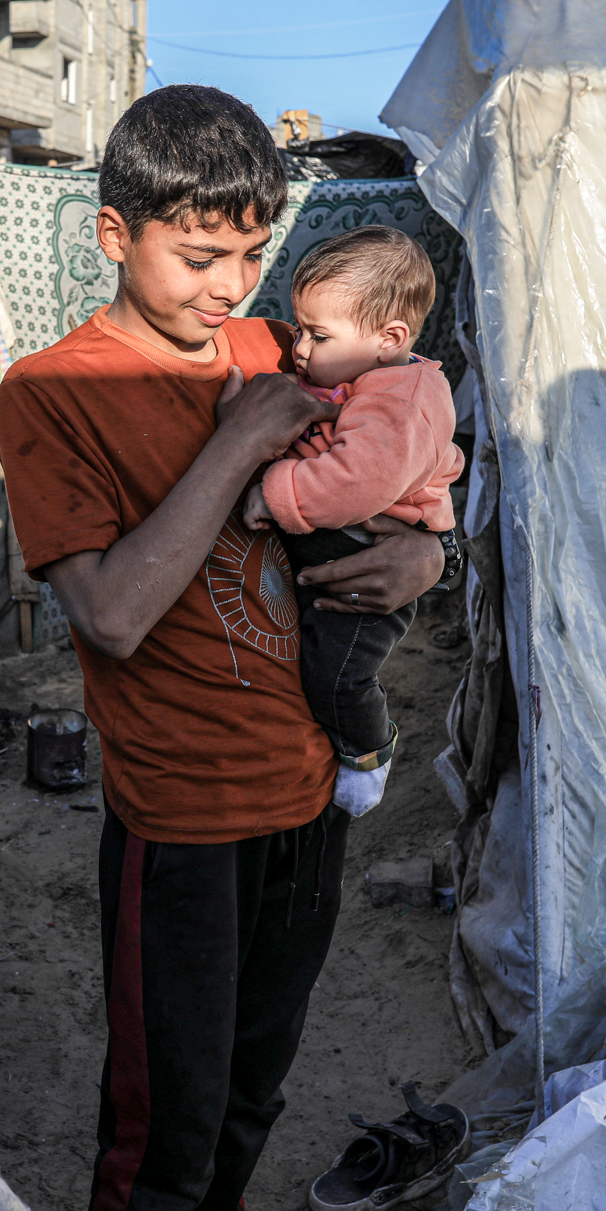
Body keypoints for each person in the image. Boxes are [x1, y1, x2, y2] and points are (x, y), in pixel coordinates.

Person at [0, 84, 453, 1211]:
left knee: (254, 1085)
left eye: (249, 253)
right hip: (183, 820)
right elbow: (106, 615)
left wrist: (424, 564)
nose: (230, 287)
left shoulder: (277, 344)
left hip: (308, 799)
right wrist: (241, 438)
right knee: (166, 1127)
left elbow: (400, 461)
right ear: (114, 234)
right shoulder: (53, 392)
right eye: (199, 255)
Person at [242, 226, 464, 801]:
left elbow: (354, 483)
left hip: (366, 558)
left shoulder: (401, 399)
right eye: (299, 330)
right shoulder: (361, 377)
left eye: (318, 335)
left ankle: (368, 754)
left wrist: (274, 491)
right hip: (342, 549)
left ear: (389, 338)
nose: (301, 349)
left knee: (338, 674)